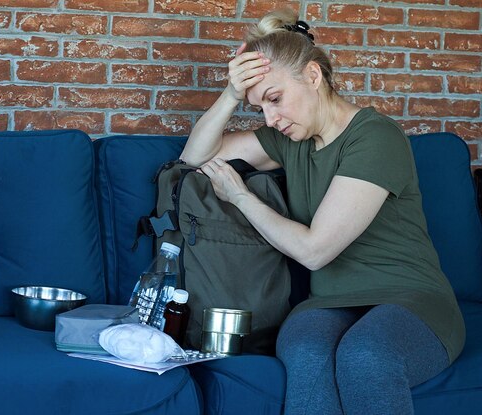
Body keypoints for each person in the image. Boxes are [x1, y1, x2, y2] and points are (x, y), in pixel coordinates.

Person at [179, 8, 465, 415]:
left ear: (313, 77)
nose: (271, 119)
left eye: (275, 99)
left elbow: (316, 252)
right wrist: (230, 94)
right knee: (307, 353)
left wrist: (241, 197)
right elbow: (194, 157)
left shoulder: (375, 137)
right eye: (258, 107)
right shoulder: (289, 139)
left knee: (366, 356)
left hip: (412, 300)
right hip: (329, 302)